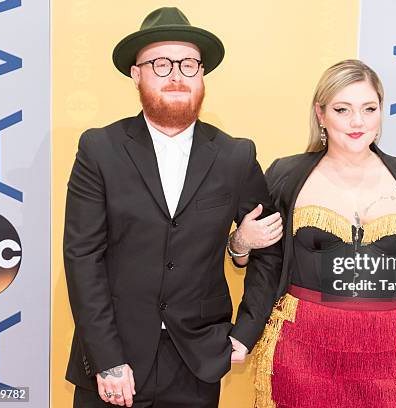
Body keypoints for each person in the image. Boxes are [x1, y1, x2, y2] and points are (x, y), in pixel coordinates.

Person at [63, 7, 282, 407]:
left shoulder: (235, 155)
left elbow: (269, 247)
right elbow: (82, 257)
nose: (177, 75)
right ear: (136, 74)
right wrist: (107, 360)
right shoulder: (99, 150)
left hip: (197, 361)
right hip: (115, 363)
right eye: (161, 64)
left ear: (202, 73)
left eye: (188, 64)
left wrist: (246, 332)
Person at [233, 59, 396, 407]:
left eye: (369, 109)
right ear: (321, 114)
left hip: (392, 349)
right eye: (343, 109)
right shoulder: (286, 175)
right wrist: (240, 245)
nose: (358, 122)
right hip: (302, 352)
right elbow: (266, 266)